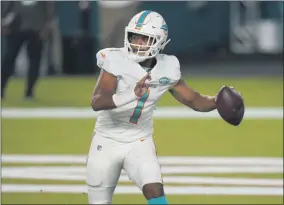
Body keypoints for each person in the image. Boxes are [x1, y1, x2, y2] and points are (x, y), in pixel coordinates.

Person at [87, 10, 240, 204]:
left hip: (138, 140)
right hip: (106, 140)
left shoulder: (168, 67)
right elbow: (97, 101)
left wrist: (217, 101)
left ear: (159, 41)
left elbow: (193, 100)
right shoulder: (114, 59)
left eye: (144, 39)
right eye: (134, 37)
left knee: (155, 190)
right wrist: (131, 95)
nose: (137, 43)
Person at [1, 1, 53, 100]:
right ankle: (1, 88)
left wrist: (46, 27)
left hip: (36, 29)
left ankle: (29, 91)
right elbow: (8, 7)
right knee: (9, 59)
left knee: (34, 62)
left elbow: (49, 10)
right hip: (16, 27)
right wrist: (4, 22)